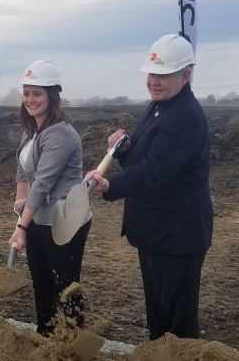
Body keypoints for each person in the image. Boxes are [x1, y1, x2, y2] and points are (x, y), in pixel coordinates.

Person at [85, 34, 212, 340]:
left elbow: (155, 172)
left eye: (163, 75)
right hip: (156, 232)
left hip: (177, 236)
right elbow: (145, 159)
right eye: (151, 73)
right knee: (159, 321)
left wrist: (108, 184)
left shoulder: (185, 117)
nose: (154, 81)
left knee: (176, 330)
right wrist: (124, 149)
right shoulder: (159, 106)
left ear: (185, 75)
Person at [8, 60, 89, 336]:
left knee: (65, 286)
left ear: (52, 96)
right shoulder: (32, 129)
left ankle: (73, 343)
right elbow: (22, 166)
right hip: (39, 218)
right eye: (27, 93)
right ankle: (45, 338)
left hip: (65, 219)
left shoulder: (60, 134)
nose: (30, 100)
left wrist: (21, 227)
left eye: (37, 94)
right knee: (42, 283)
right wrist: (21, 202)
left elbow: (42, 183)